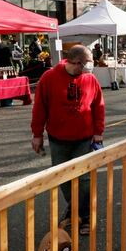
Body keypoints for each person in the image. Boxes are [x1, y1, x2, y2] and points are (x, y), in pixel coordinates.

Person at [31, 45, 105, 235]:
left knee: (85, 179)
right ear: (77, 62)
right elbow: (40, 107)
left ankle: (84, 216)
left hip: (84, 139)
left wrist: (98, 132)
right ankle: (75, 211)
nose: (91, 67)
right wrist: (37, 134)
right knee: (63, 179)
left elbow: (98, 106)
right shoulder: (49, 78)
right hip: (58, 139)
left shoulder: (90, 79)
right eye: (88, 63)